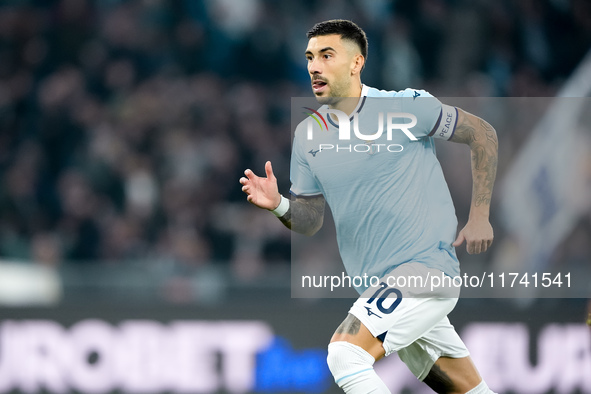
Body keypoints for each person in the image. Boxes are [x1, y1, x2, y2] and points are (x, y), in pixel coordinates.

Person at [240, 19, 498, 394]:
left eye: (327, 56)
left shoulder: (405, 107)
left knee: (344, 355)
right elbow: (311, 220)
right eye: (310, 57)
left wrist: (480, 217)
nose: (314, 66)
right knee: (468, 391)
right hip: (377, 289)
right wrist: (279, 204)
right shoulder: (308, 135)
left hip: (424, 272)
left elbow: (482, 134)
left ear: (356, 63)